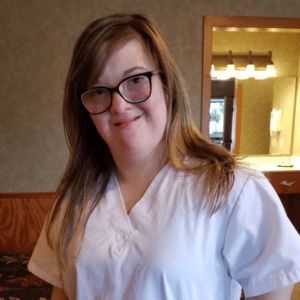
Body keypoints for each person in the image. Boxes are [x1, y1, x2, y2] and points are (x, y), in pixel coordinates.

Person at [28, 14, 300, 300]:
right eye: (98, 90)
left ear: (167, 86)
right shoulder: (75, 197)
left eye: (135, 80)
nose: (119, 105)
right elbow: (62, 293)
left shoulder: (232, 187)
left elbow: (274, 283)